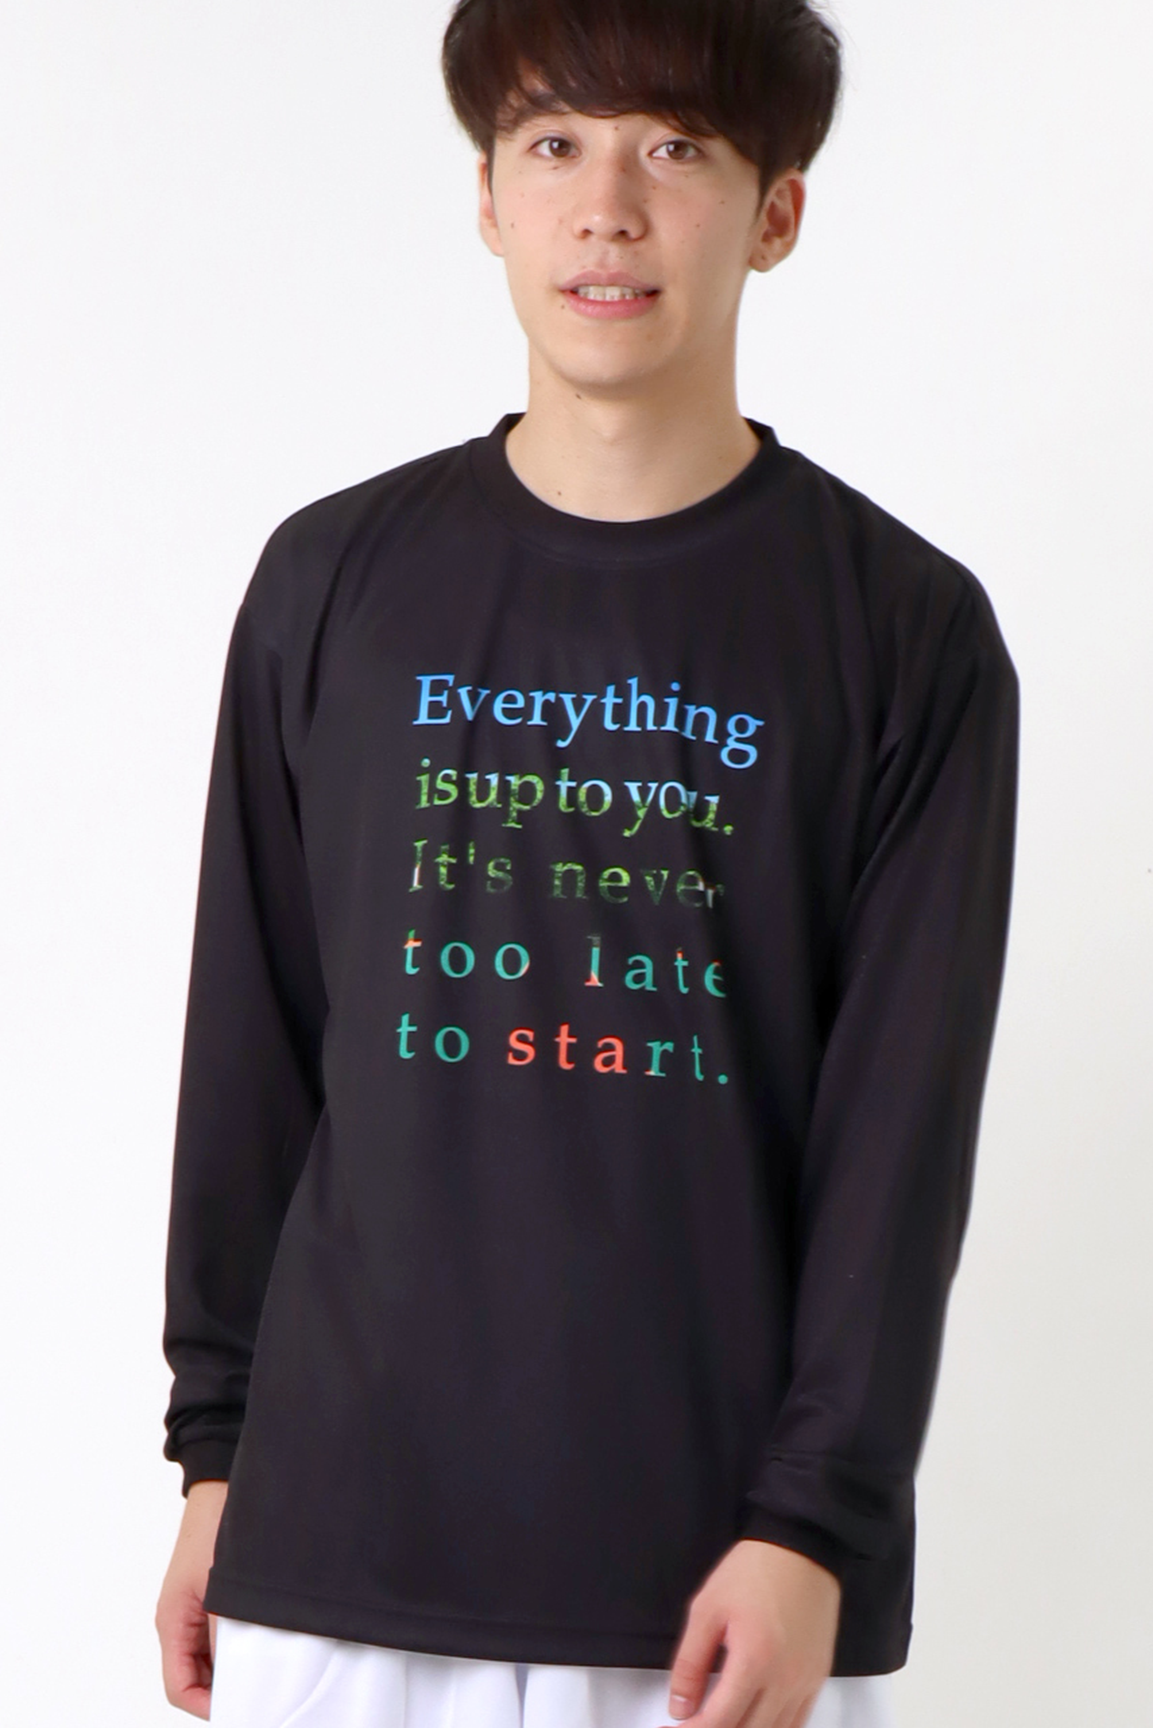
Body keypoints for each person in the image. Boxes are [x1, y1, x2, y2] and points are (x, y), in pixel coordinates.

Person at [154, 2, 1019, 1725]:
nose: (607, 208)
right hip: (336, 1556)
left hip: (710, 1587)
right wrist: (216, 1459)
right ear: (488, 196)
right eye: (554, 144)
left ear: (777, 212)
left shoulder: (905, 635)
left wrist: (816, 1525)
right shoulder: (332, 584)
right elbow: (253, 1047)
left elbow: (897, 1141)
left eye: (675, 148)